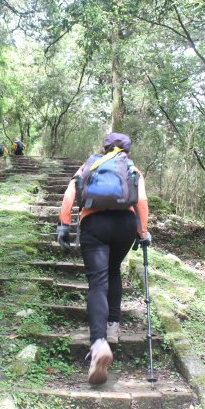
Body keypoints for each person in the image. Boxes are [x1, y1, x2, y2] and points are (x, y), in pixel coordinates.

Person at [56, 132, 150, 385]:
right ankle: (113, 327)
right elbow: (141, 201)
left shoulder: (91, 163)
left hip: (94, 222)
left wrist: (64, 223)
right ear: (127, 150)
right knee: (114, 271)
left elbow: (69, 193)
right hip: (125, 224)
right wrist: (143, 232)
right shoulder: (131, 168)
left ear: (105, 147)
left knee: (98, 282)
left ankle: (99, 344)